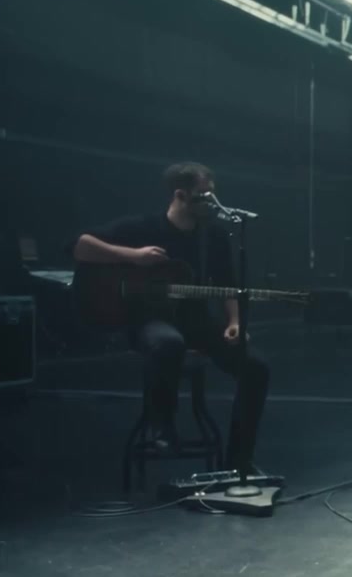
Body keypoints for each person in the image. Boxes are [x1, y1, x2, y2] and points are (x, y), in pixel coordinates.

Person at [73, 162, 270, 472]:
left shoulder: (213, 237)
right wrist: (133, 256)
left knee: (256, 366)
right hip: (148, 321)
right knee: (168, 343)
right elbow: (81, 247)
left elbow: (228, 285)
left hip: (196, 322)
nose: (212, 203)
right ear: (180, 195)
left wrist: (234, 322)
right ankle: (160, 428)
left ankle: (240, 459)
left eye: (213, 195)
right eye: (204, 196)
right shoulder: (143, 227)